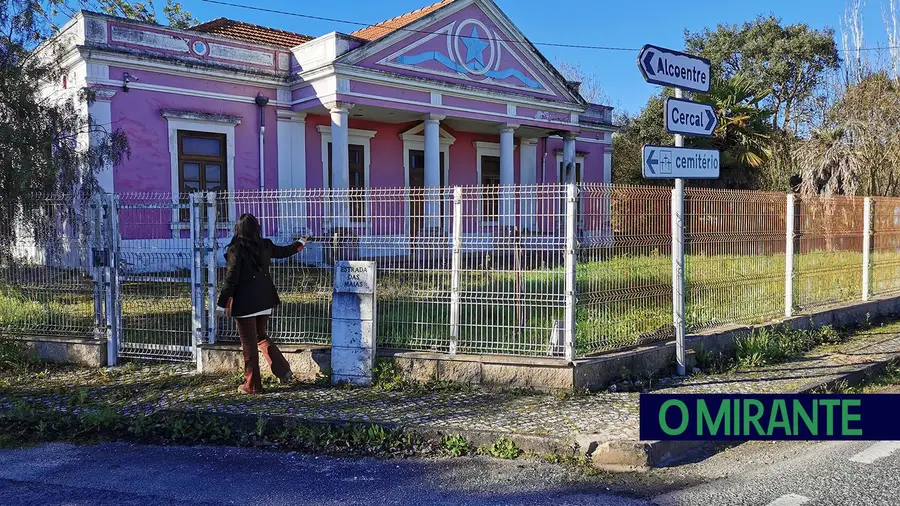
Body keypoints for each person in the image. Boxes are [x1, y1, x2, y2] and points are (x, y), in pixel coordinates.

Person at [216, 213, 310, 394]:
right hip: (265, 300)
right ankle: (283, 371)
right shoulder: (265, 245)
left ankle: (252, 386)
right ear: (257, 229)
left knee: (249, 345)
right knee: (260, 336)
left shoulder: (235, 249)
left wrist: (222, 304)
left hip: (245, 305)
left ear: (238, 229)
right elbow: (285, 252)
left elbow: (231, 280)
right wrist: (300, 243)